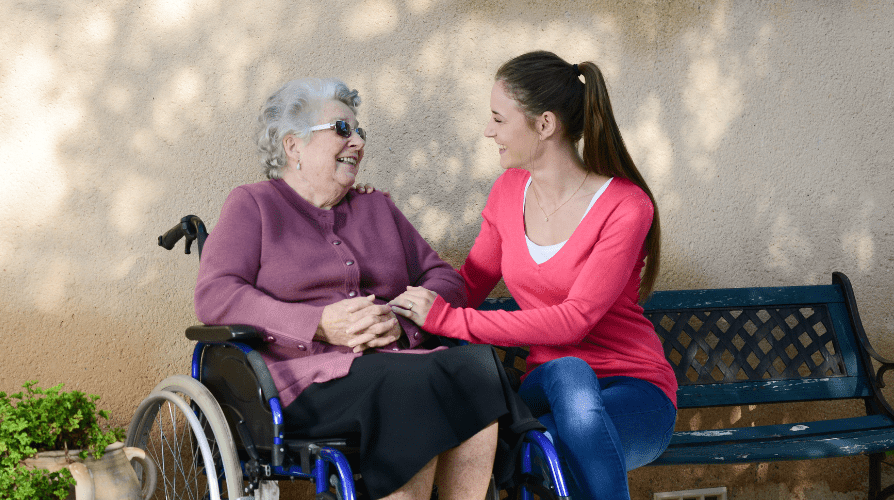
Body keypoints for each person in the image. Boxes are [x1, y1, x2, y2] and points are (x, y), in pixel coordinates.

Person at [195, 77, 539, 500]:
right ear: (293, 146)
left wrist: (401, 323)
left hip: (401, 366)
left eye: (360, 131)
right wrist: (317, 323)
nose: (357, 141)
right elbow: (216, 294)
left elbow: (446, 279)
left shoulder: (376, 207)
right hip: (305, 384)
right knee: (418, 383)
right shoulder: (254, 205)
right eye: (343, 129)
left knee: (478, 368)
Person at [389, 51, 678, 499]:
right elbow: (470, 283)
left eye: (499, 120)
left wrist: (446, 319)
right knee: (568, 373)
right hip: (548, 384)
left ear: (545, 125)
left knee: (553, 448)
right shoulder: (508, 192)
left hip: (634, 389)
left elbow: (575, 319)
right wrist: (400, 298)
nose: (489, 131)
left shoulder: (626, 206)